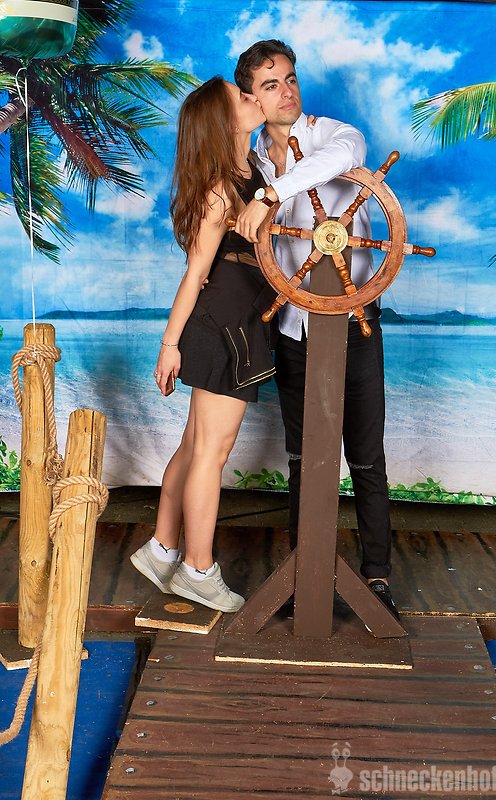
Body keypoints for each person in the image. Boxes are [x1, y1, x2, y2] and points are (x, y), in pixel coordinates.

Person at [234, 40, 399, 619]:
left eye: (290, 79)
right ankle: (304, 573)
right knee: (303, 459)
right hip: (292, 327)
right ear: (251, 99)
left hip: (355, 323)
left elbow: (342, 158)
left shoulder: (335, 135)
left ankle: (377, 576)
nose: (286, 91)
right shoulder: (251, 159)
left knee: (367, 458)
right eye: (270, 84)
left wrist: (270, 194)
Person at [130, 77, 276, 613]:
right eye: (242, 97)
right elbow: (195, 274)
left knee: (195, 448)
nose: (252, 97)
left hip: (235, 324)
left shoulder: (253, 170)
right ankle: (197, 569)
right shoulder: (219, 190)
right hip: (222, 329)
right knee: (210, 456)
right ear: (223, 121)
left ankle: (161, 549)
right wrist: (169, 345)